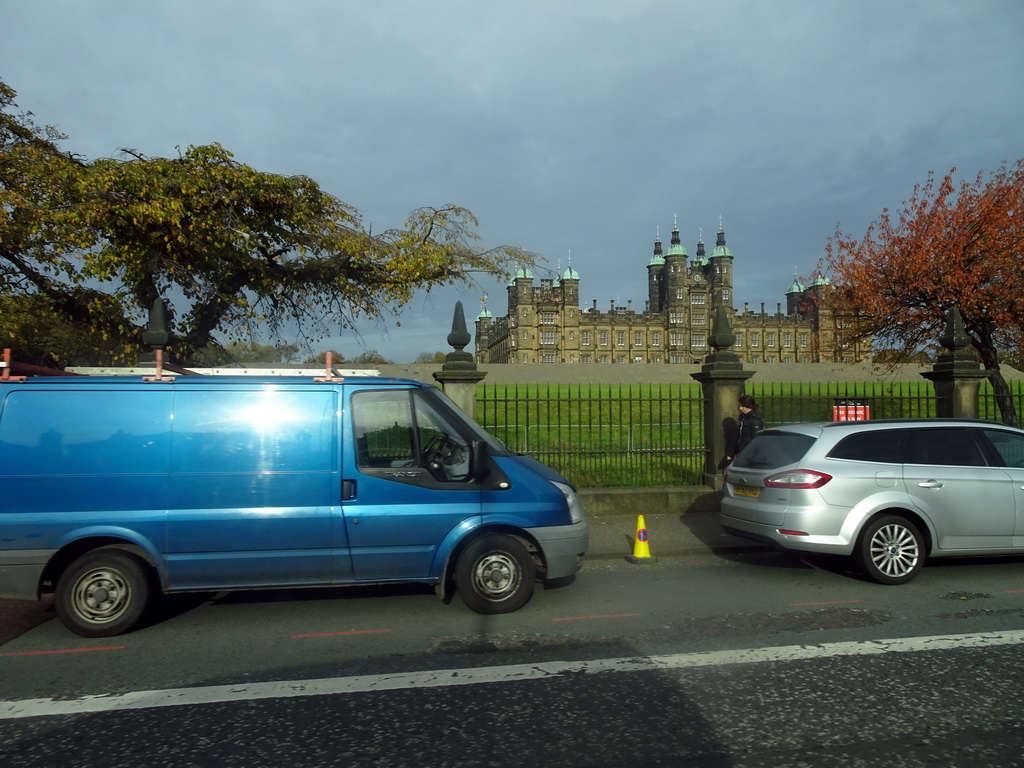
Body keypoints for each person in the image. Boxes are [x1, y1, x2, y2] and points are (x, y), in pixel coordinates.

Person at [727, 394, 763, 462]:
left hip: (749, 454)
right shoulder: (744, 418)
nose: (740, 408)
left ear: (748, 406)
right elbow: (739, 438)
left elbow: (756, 439)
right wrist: (731, 453)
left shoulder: (754, 421)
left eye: (742, 406)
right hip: (742, 452)